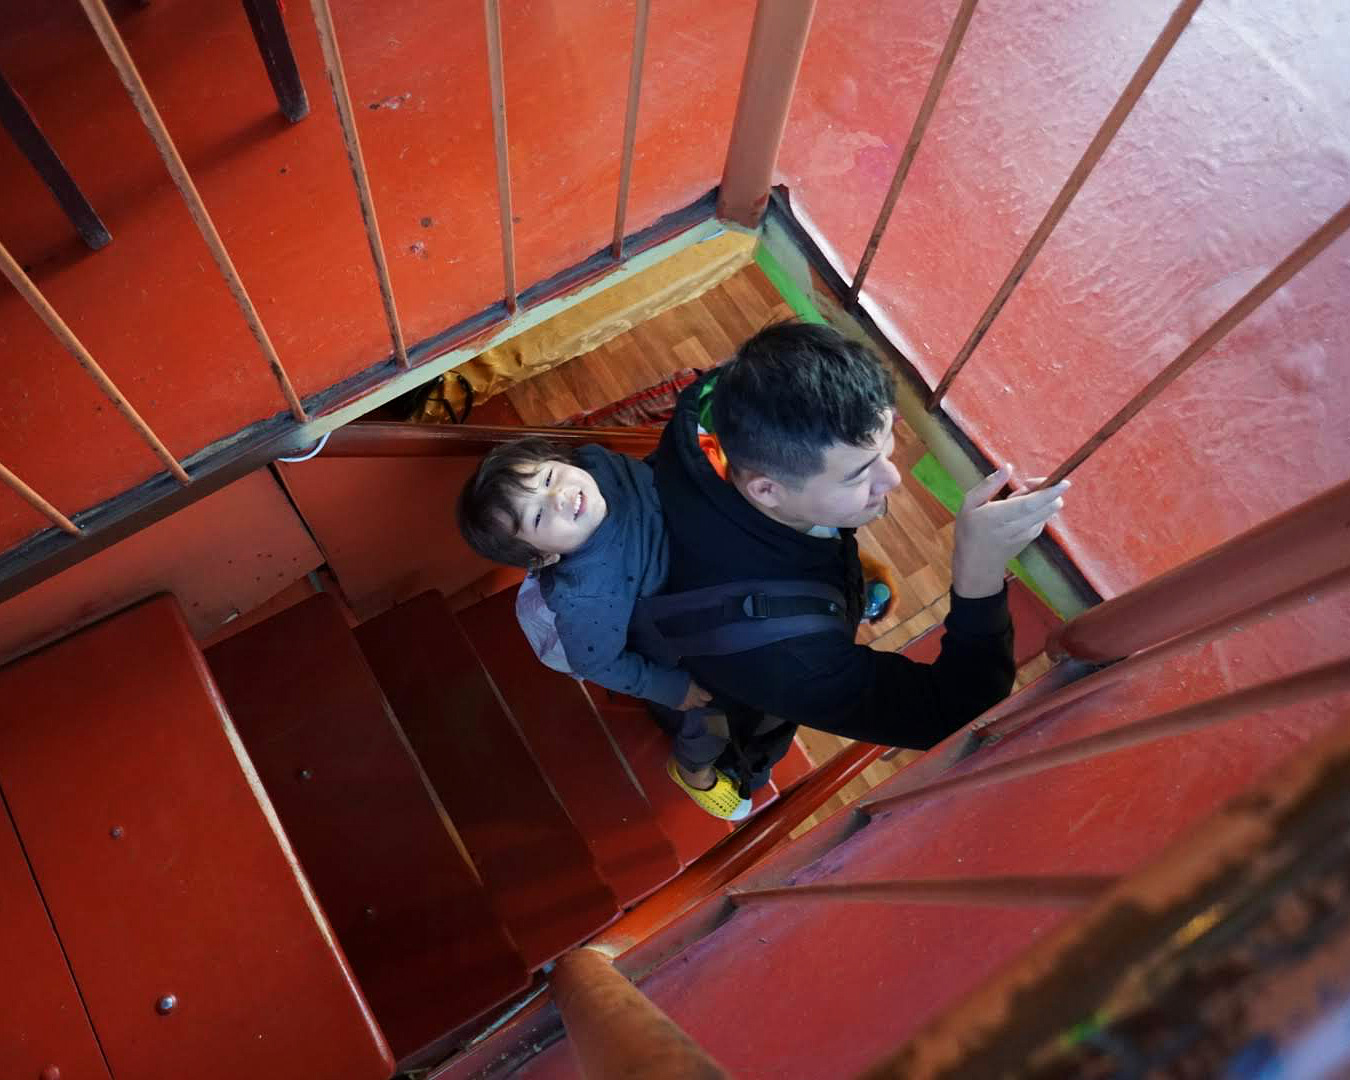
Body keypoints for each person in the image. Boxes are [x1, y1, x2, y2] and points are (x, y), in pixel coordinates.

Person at [650, 321, 1070, 794]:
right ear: (767, 490)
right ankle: (708, 781)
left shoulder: (710, 409)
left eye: (886, 448)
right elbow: (953, 712)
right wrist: (980, 571)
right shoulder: (787, 657)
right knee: (731, 742)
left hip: (717, 592)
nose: (892, 479)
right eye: (858, 475)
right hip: (714, 687)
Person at [457, 437, 752, 819]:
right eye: (539, 517)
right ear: (544, 555)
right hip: (676, 637)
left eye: (548, 477)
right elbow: (596, 662)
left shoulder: (597, 464)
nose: (560, 496)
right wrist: (669, 687)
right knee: (714, 709)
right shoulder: (583, 596)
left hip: (707, 568)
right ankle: (693, 770)